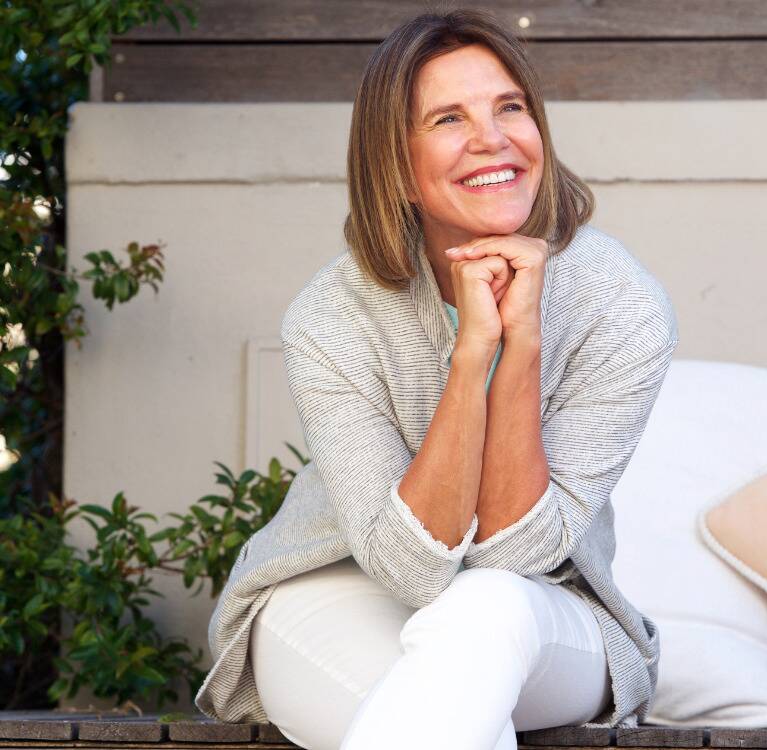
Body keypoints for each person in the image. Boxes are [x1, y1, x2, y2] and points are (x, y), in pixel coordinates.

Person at [192, 8, 679, 750]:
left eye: (509, 107)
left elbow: (515, 560)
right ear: (398, 168)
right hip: (333, 593)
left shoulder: (621, 304)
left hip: (544, 609)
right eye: (449, 118)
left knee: (483, 611)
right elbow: (410, 571)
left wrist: (522, 348)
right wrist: (471, 354)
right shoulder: (332, 318)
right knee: (445, 718)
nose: (493, 138)